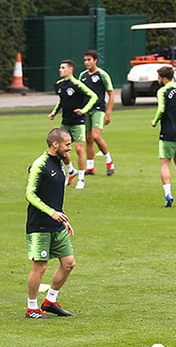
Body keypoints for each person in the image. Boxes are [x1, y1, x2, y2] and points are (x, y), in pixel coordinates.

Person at [24, 128, 78, 318]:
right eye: (67, 144)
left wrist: (61, 216)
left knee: (69, 263)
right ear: (55, 144)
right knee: (40, 267)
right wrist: (51, 213)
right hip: (39, 225)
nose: (69, 148)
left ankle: (50, 301)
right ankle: (31, 308)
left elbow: (54, 195)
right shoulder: (40, 165)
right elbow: (30, 194)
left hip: (56, 223)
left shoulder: (59, 164)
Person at [48, 59, 98, 190]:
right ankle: (71, 171)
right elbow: (62, 101)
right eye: (60, 67)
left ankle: (81, 178)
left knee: (79, 149)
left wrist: (84, 110)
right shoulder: (59, 85)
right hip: (66, 121)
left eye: (63, 68)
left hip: (78, 122)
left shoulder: (77, 84)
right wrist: (54, 112)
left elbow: (94, 96)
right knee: (61, 149)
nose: (60, 70)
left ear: (70, 69)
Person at [151, 65, 176, 207]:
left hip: (167, 132)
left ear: (163, 78)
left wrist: (154, 121)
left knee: (165, 163)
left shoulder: (163, 91)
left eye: (158, 77)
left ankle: (168, 195)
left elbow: (161, 109)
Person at [79, 50, 115, 176]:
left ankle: (109, 162)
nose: (86, 62)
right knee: (88, 138)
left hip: (98, 109)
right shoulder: (82, 76)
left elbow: (111, 94)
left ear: (95, 60)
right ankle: (90, 167)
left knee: (96, 136)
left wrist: (108, 112)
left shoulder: (102, 75)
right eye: (85, 60)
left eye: (89, 60)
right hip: (86, 110)